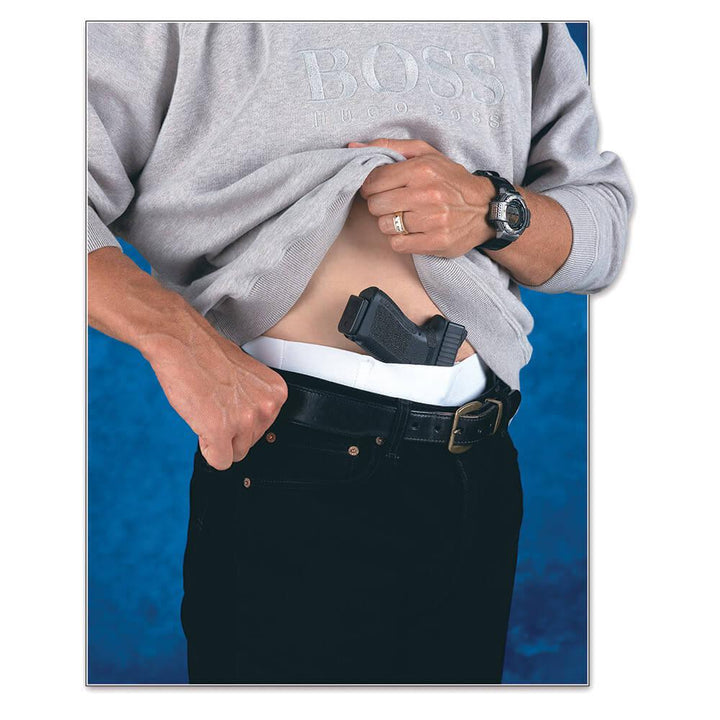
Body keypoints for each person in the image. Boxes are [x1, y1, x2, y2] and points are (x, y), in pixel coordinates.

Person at [87, 21, 632, 684]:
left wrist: (497, 210)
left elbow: (602, 229)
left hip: (478, 464)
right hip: (298, 457)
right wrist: (175, 335)